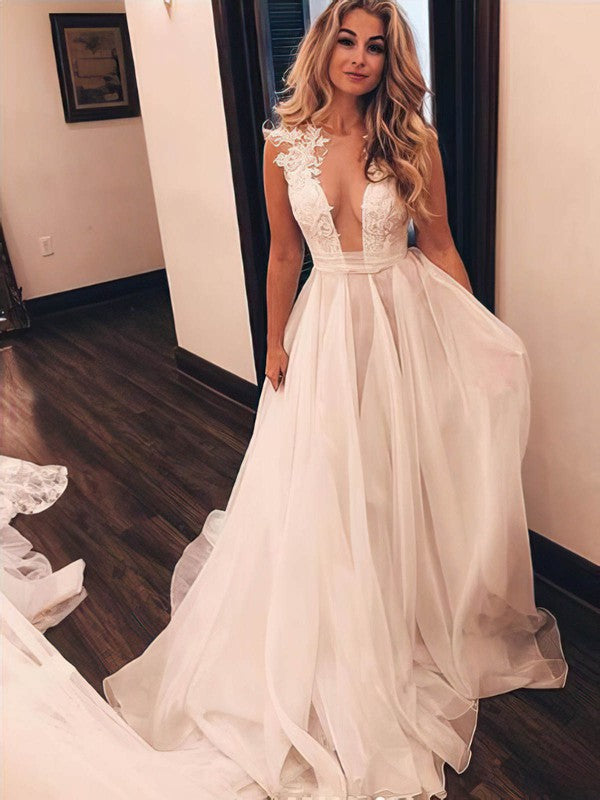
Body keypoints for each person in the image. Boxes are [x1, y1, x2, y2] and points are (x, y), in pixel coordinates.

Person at [103, 3, 568, 799]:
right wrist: (274, 341)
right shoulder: (283, 144)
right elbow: (285, 254)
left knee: (397, 471)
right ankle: (345, 619)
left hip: (402, 319)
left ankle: (407, 609)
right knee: (326, 475)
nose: (359, 56)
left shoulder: (412, 139)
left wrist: (474, 335)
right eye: (346, 40)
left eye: (376, 46)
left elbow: (440, 245)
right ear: (322, 47)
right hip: (326, 328)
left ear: (390, 60)